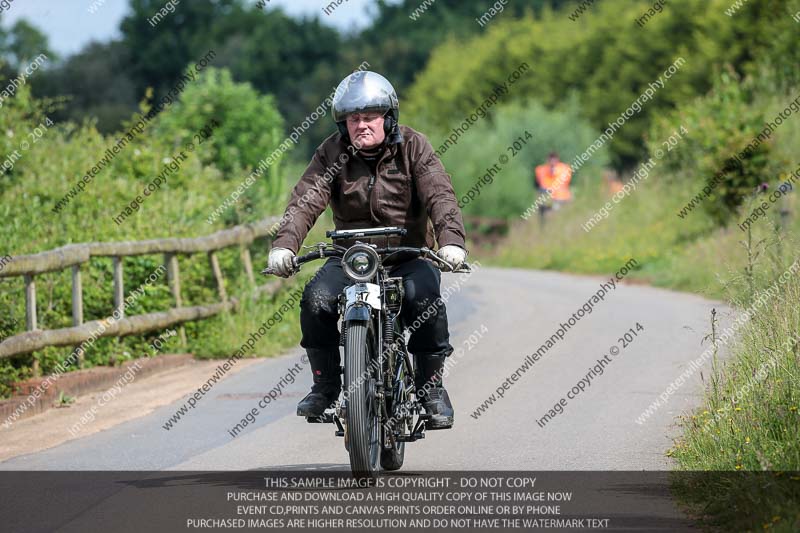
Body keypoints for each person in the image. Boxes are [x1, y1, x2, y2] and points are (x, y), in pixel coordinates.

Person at [267, 71, 468, 429]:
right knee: (316, 301)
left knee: (425, 301)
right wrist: (284, 245)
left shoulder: (414, 146)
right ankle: (325, 387)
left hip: (407, 255)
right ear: (343, 124)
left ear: (388, 117)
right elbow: (306, 200)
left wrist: (451, 241)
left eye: (370, 116)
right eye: (353, 118)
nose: (361, 125)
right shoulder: (331, 152)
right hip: (351, 258)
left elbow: (440, 194)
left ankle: (431, 390)